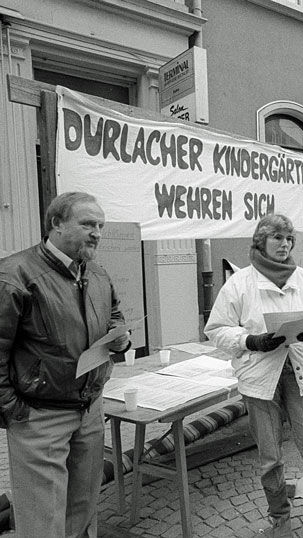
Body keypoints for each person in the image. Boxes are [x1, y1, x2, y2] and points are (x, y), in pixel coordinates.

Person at [204, 214, 303, 538]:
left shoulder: (302, 279)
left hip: (299, 372)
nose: (285, 244)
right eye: (277, 238)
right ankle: (280, 518)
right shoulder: (239, 283)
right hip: (259, 379)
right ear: (260, 241)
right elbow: (216, 329)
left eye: (289, 239)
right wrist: (250, 340)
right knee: (270, 458)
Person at [0, 192, 130, 537]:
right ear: (56, 223)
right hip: (39, 415)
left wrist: (121, 339)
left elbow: (115, 317)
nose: (97, 232)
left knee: (83, 511)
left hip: (89, 410)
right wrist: (12, 409)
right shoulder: (15, 275)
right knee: (43, 521)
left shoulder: (98, 274)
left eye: (100, 225)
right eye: (88, 224)